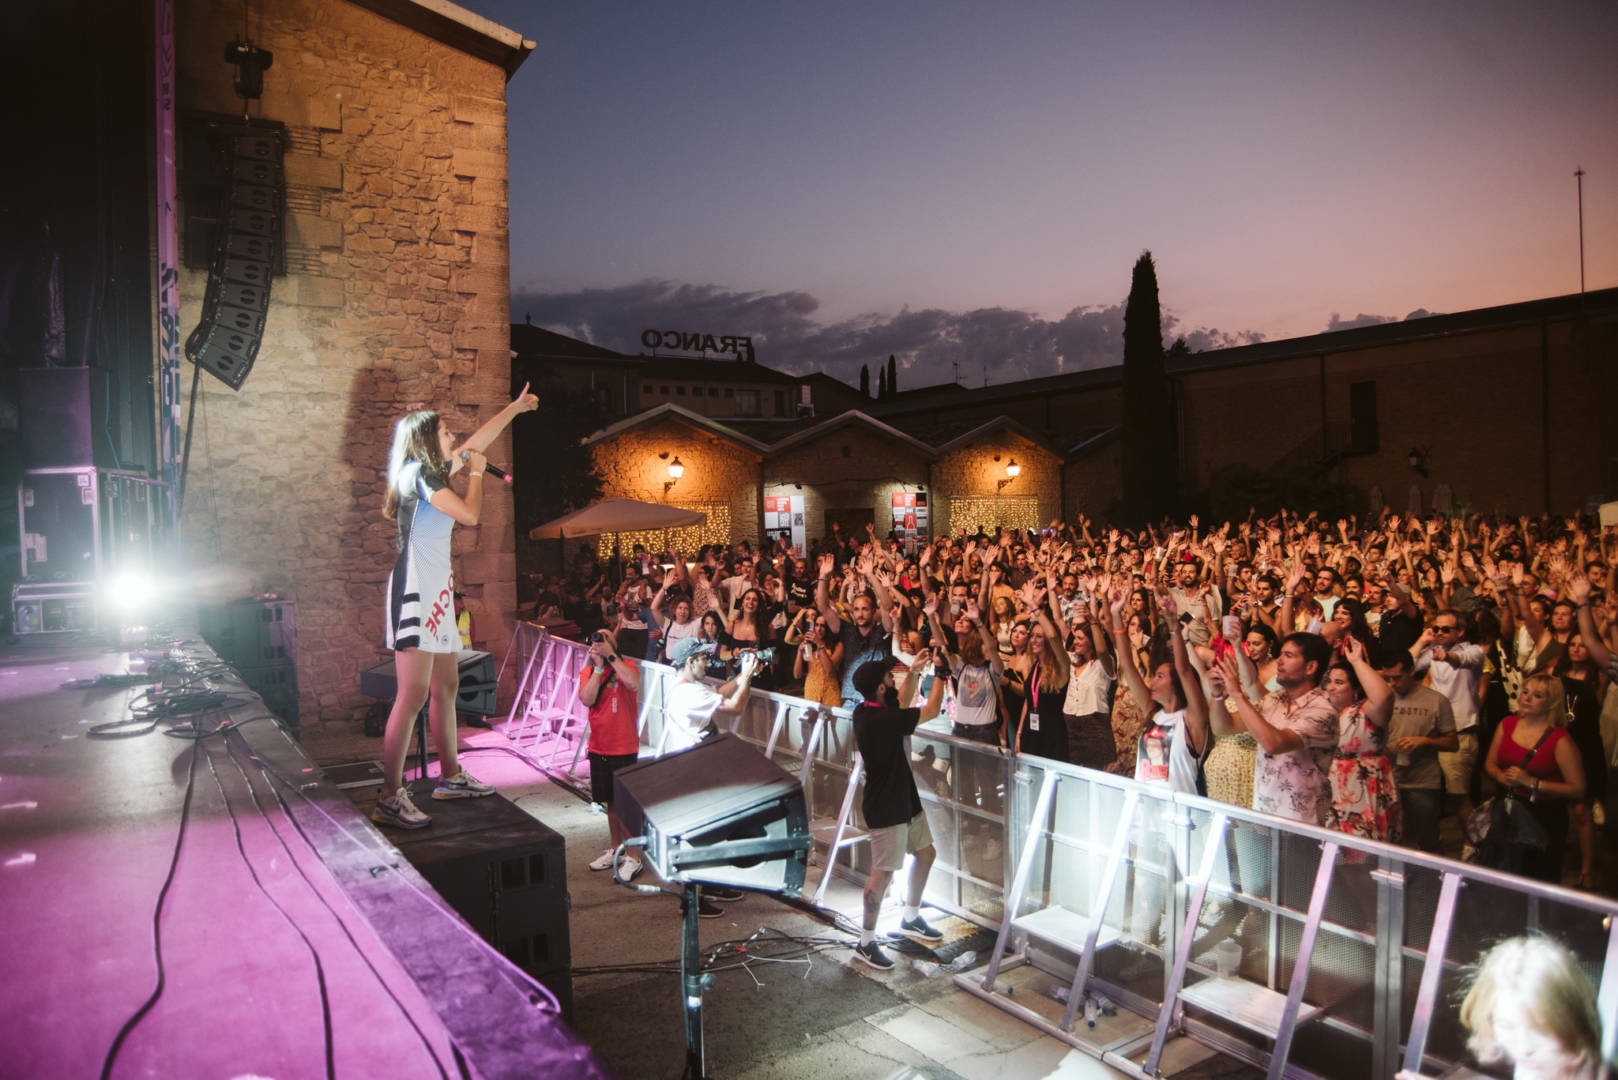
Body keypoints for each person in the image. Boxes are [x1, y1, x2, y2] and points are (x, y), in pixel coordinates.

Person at [373, 384, 537, 829]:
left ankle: (450, 776)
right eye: (445, 432)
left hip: (438, 591)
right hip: (415, 591)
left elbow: (474, 444)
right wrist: (478, 476)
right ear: (426, 439)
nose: (452, 437)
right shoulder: (417, 475)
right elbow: (469, 515)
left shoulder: (431, 473)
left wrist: (514, 409)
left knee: (446, 686)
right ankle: (389, 795)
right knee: (412, 695)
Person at [848, 654, 948, 971]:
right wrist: (942, 674)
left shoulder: (867, 710)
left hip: (904, 797)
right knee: (883, 873)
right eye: (889, 678)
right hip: (886, 805)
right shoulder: (881, 720)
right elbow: (931, 709)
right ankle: (865, 943)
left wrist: (915, 671)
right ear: (880, 688)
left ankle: (911, 917)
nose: (894, 680)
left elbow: (900, 703)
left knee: (926, 854)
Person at [664, 636, 759, 915]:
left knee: (714, 830)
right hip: (695, 772)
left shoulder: (686, 685)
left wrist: (742, 674)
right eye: (703, 658)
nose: (708, 662)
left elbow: (719, 692)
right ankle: (691, 900)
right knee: (700, 836)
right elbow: (735, 707)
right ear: (690, 661)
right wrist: (747, 678)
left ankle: (710, 884)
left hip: (695, 767)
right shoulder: (689, 693)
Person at [1453, 935, 1607, 1080]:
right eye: (1506, 1026)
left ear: (1573, 1020)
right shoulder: (1534, 1067)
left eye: (1542, 1031)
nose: (1523, 1048)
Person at [1482, 673, 1586, 884]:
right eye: (1525, 692)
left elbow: (1578, 788)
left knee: (1536, 876)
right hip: (1507, 807)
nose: (1527, 698)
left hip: (1543, 814)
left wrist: (1533, 783)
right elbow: (1489, 763)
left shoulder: (1560, 739)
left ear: (1551, 703)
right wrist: (1500, 776)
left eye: (1537, 695)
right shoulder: (1507, 724)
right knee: (1500, 868)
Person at [1319, 637, 1400, 843]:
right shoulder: (1322, 712)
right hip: (1331, 790)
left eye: (1339, 682)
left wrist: (1356, 661)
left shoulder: (1365, 711)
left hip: (1363, 789)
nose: (1331, 687)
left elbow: (1384, 697)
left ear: (1356, 690)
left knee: (1362, 850)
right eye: (1329, 681)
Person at [579, 628, 643, 879]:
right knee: (611, 803)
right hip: (599, 747)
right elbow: (587, 699)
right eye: (598, 638)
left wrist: (611, 656)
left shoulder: (627, 666)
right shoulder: (589, 672)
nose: (601, 641)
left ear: (615, 643)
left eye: (607, 638)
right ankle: (617, 849)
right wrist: (598, 667)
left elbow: (632, 683)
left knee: (626, 804)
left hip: (624, 746)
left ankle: (634, 857)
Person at [1381, 651, 1458, 854]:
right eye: (1388, 678)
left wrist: (1425, 741)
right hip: (1388, 779)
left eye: (1397, 677)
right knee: (1389, 840)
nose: (1392, 683)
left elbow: (1453, 743)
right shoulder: (1383, 698)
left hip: (1423, 782)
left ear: (1412, 671)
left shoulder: (1436, 701)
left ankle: (1431, 872)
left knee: (1428, 840)